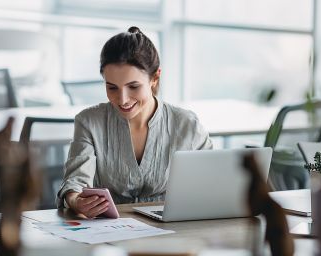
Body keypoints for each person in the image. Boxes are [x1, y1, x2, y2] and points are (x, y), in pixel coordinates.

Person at [57, 26, 213, 218]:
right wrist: (75, 201)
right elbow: (75, 182)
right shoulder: (89, 122)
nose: (122, 99)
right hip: (107, 231)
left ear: (155, 78)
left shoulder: (187, 124)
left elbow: (212, 183)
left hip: (173, 229)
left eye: (133, 86)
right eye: (112, 88)